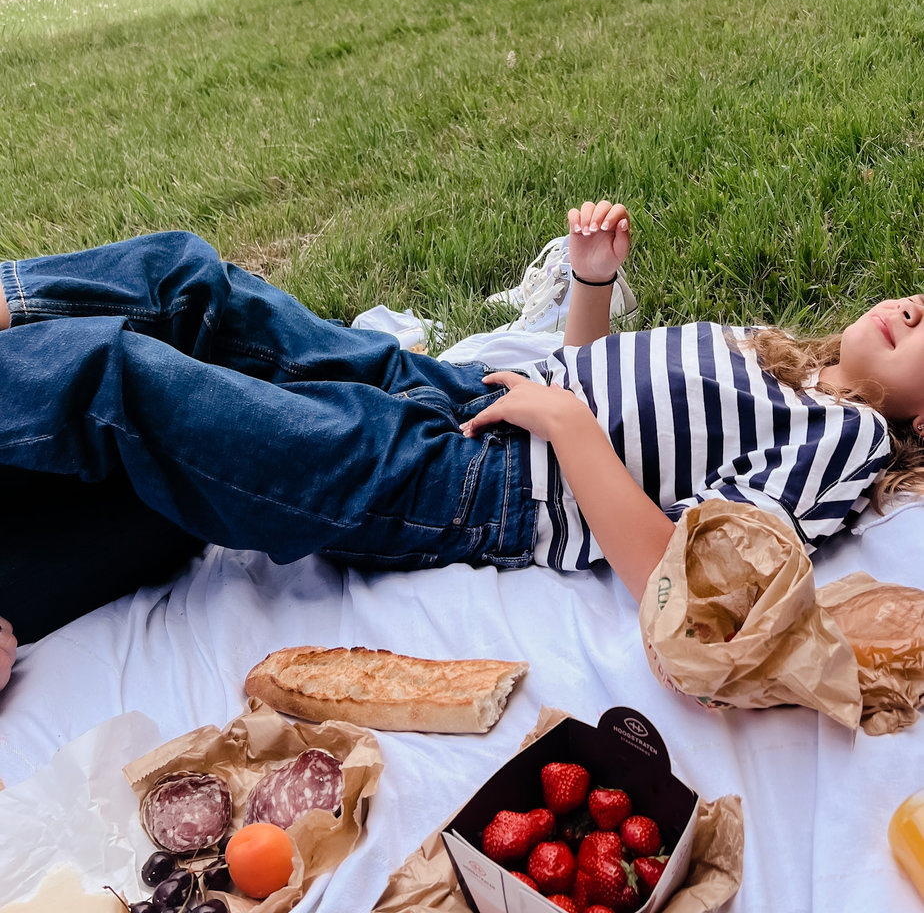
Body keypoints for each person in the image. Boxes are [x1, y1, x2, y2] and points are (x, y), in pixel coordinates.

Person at [1, 199, 922, 693]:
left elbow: (680, 584)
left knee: (129, 386)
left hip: (472, 484)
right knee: (190, 279)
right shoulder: (786, 361)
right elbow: (602, 385)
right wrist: (592, 288)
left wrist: (564, 425)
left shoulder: (843, 442)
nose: (913, 307)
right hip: (458, 394)